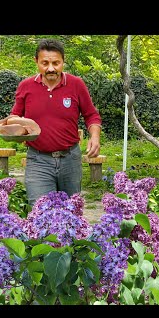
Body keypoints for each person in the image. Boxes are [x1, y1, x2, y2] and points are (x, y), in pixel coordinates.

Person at [10, 38, 102, 206]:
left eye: (56, 63)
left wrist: (95, 136)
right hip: (38, 161)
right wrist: (18, 131)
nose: (51, 68)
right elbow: (14, 117)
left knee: (71, 214)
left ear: (63, 62)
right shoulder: (26, 86)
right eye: (45, 63)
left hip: (70, 160)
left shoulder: (76, 84)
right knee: (40, 213)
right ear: (36, 61)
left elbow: (92, 115)